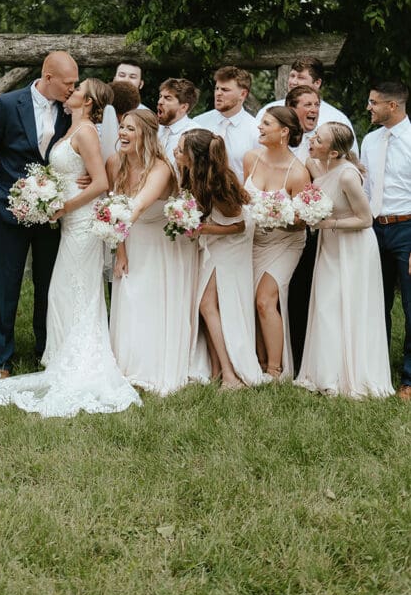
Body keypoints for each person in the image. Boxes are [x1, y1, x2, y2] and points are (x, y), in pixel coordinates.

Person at [0, 79, 141, 416]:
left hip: (80, 223)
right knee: (63, 292)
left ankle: (79, 359)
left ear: (89, 99)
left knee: (75, 291)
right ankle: (61, 355)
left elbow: (101, 183)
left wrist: (64, 207)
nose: (71, 92)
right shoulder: (71, 127)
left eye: (77, 89)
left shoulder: (86, 133)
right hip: (68, 223)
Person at [0, 51, 78, 377]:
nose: (73, 90)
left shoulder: (70, 109)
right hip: (9, 208)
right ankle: (0, 359)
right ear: (49, 77)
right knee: (6, 285)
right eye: (68, 83)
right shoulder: (6, 104)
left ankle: (46, 351)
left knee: (49, 283)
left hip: (52, 213)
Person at [296, 123, 393, 398]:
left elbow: (364, 220)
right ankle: (324, 374)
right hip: (331, 246)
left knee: (348, 306)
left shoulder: (348, 176)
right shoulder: (316, 165)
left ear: (335, 151)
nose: (312, 140)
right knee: (326, 305)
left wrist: (327, 222)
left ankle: (352, 375)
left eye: (319, 139)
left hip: (354, 248)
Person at [108, 109, 196, 394]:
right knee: (130, 300)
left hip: (160, 247)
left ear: (145, 134)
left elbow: (136, 206)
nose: (122, 133)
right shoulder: (118, 165)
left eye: (130, 129)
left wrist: (109, 223)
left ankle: (151, 366)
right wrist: (119, 253)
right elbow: (116, 207)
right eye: (122, 127)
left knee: (149, 302)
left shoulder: (160, 168)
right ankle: (127, 365)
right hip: (130, 241)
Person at [178, 129, 263, 389]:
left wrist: (201, 229)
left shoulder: (219, 183)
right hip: (216, 244)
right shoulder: (195, 176)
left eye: (181, 150)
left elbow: (240, 226)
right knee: (207, 306)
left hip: (231, 247)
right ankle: (217, 369)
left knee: (207, 304)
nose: (176, 152)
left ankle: (230, 373)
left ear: (195, 156)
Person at [243, 106, 310, 378]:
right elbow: (242, 198)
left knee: (264, 300)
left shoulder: (297, 173)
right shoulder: (251, 159)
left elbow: (304, 220)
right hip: (252, 241)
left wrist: (277, 216)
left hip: (285, 243)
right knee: (249, 300)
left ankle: (275, 370)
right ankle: (257, 361)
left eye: (266, 123)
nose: (259, 127)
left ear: (284, 132)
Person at [361, 81, 411, 400]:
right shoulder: (369, 140)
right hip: (374, 228)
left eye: (374, 102)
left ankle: (409, 378)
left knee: (410, 306)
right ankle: (375, 370)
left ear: (392, 106)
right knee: (374, 302)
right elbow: (366, 189)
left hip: (408, 229)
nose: (369, 107)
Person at [284, 84, 322, 371]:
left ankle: (300, 356)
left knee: (302, 294)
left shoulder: (319, 145)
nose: (313, 110)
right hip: (273, 231)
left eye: (316, 105)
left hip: (307, 231)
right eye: (307, 104)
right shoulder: (279, 144)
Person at [255, 56, 358, 153]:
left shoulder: (336, 118)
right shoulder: (268, 111)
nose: (293, 82)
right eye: (292, 76)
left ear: (317, 83)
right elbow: (256, 148)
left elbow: (349, 157)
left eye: (300, 77)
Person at [193, 66, 259, 182]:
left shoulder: (256, 130)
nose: (218, 93)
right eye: (217, 88)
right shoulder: (198, 123)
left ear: (242, 94)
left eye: (225, 90)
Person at [157, 77, 199, 167]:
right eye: (160, 96)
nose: (160, 102)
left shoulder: (195, 134)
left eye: (167, 98)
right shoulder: (153, 129)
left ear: (184, 107)